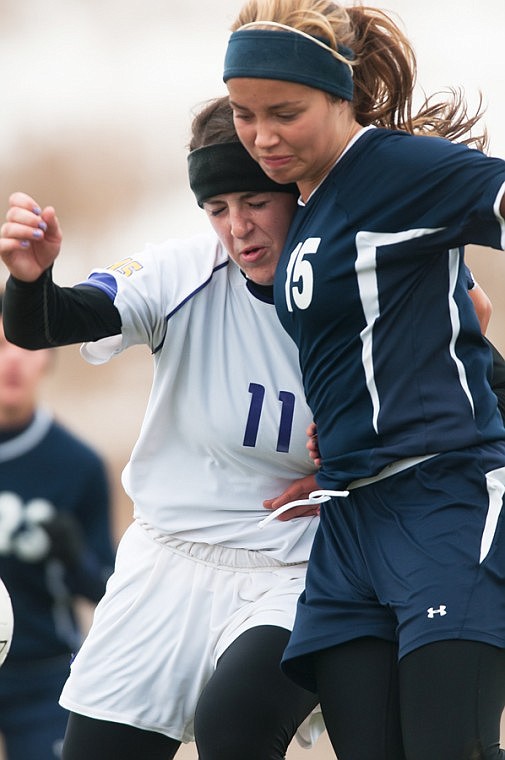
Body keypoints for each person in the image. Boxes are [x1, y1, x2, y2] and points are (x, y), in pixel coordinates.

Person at [0, 97, 323, 760]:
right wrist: (31, 284)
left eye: (256, 200)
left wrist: (359, 457)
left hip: (294, 570)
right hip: (166, 562)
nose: (238, 228)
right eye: (216, 208)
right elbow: (48, 323)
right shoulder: (180, 272)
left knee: (233, 726)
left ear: (297, 189)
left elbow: (469, 398)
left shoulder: (365, 281)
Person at [222, 2, 505, 759]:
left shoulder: (398, 169)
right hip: (348, 526)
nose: (262, 137)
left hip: (440, 502)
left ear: (338, 95)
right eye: (245, 115)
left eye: (285, 112)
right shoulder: (310, 207)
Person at [0, 294, 115, 760]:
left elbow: (107, 591)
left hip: (44, 680)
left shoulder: (77, 465)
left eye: (23, 345)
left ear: (46, 355)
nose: (12, 362)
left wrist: (74, 558)